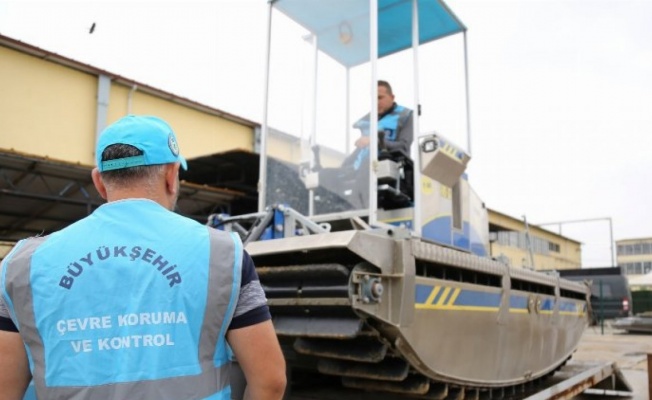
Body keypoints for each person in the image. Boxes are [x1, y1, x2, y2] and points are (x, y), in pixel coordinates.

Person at [0, 115, 286, 400]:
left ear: (99, 182)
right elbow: (270, 381)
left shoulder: (21, 265)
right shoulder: (224, 256)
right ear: (171, 176)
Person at [316, 80, 414, 211]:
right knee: (324, 175)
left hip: (388, 168)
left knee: (368, 164)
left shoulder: (405, 116)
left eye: (380, 97)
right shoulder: (369, 121)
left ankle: (356, 212)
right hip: (362, 167)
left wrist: (375, 141)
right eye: (374, 99)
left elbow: (403, 147)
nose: (377, 102)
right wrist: (343, 165)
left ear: (392, 97)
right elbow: (360, 153)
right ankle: (326, 212)